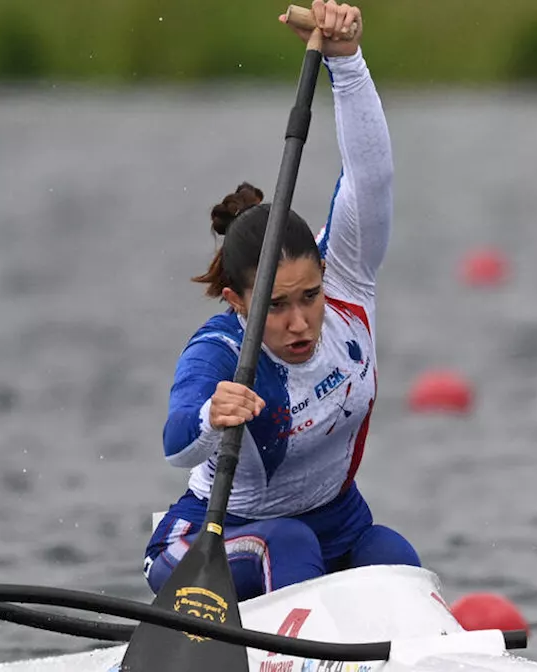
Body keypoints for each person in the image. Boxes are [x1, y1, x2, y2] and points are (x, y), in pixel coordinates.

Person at [141, 0, 420, 602]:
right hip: (208, 546)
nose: (301, 323)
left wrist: (345, 62)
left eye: (310, 298)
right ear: (238, 301)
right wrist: (212, 416)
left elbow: (372, 178)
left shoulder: (347, 279)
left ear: (327, 273)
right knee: (288, 543)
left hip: (336, 528)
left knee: (394, 559)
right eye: (275, 306)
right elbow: (174, 444)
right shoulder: (219, 351)